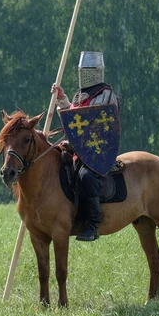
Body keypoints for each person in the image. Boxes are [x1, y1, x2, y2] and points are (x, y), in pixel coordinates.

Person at [51, 51, 119, 242]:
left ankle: (93, 224)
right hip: (79, 149)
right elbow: (72, 120)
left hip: (98, 150)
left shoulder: (106, 94)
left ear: (97, 71)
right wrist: (61, 98)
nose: (86, 74)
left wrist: (77, 141)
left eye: (90, 70)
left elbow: (101, 126)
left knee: (86, 176)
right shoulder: (80, 96)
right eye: (84, 70)